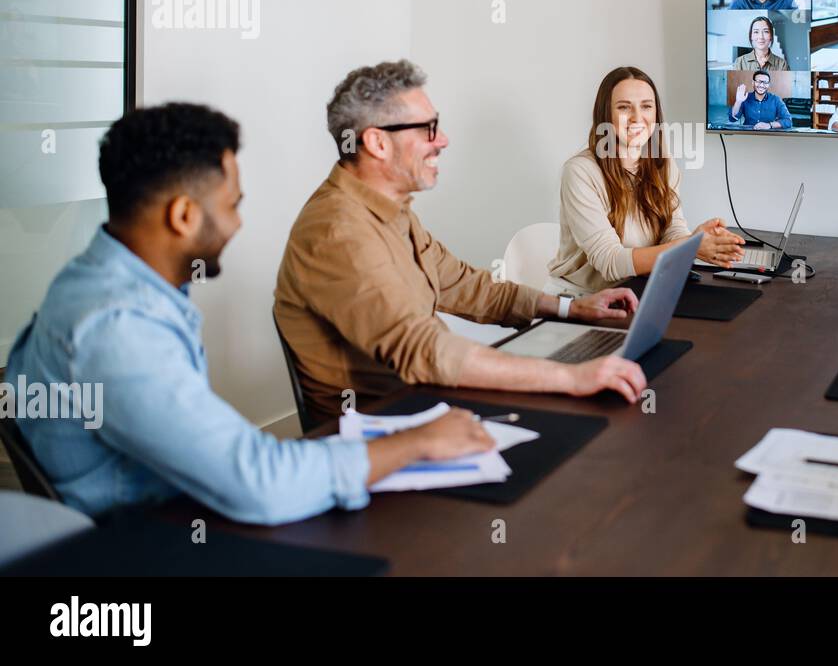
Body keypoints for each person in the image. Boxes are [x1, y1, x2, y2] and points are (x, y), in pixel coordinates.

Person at [5, 104, 495, 524]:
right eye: (233, 205)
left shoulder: (94, 277)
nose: (239, 222)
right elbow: (257, 481)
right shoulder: (118, 326)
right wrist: (415, 443)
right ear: (183, 216)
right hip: (148, 542)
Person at [274, 61, 649, 426]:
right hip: (381, 428)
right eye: (427, 128)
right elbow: (426, 350)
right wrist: (571, 378)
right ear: (377, 142)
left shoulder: (391, 211)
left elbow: (470, 287)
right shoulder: (339, 233)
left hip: (426, 401)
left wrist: (571, 309)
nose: (443, 140)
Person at [548, 67, 744, 294]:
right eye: (624, 107)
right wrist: (690, 247)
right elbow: (610, 262)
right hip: (580, 298)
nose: (637, 118)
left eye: (646, 106)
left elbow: (672, 228)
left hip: (638, 288)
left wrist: (695, 239)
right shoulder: (580, 171)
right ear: (605, 114)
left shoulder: (663, 163)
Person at [728, 70, 793, 129]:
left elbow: (788, 121)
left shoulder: (776, 99)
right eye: (758, 81)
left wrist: (769, 125)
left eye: (765, 82)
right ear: (753, 83)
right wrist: (738, 102)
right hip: (748, 134)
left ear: (768, 85)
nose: (761, 85)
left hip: (768, 135)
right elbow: (732, 119)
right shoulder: (745, 98)